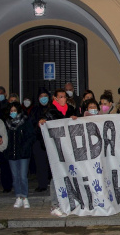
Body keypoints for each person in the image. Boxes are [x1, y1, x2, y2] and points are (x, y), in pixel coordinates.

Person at [38, 89, 77, 217]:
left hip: (69, 149)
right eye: (60, 97)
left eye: (64, 97)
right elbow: (42, 131)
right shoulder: (49, 113)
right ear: (55, 98)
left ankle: (69, 201)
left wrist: (75, 120)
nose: (63, 99)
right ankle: (55, 204)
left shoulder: (71, 111)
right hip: (56, 149)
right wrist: (42, 124)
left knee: (69, 174)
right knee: (56, 176)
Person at [4, 102, 34, 209]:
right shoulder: (7, 123)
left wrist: (24, 148)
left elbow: (30, 136)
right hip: (11, 154)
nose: (13, 112)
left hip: (23, 154)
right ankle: (18, 196)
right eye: (11, 111)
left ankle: (25, 196)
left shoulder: (25, 121)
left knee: (22, 176)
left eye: (15, 110)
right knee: (15, 176)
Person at [30, 88, 51, 192]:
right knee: (40, 163)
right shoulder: (34, 110)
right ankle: (42, 184)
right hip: (38, 140)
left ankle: (53, 183)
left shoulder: (52, 109)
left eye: (45, 96)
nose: (43, 99)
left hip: (51, 140)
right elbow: (31, 125)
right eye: (41, 96)